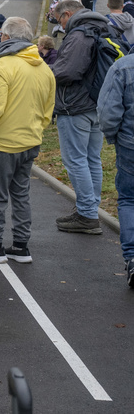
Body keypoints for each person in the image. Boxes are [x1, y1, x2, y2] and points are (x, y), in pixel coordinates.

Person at [0, 16, 54, 264]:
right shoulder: (44, 68)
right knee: (21, 194)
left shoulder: (2, 67)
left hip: (3, 142)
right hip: (30, 140)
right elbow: (49, 108)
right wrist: (36, 129)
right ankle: (20, 245)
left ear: (6, 37)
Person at [49, 0, 109, 234]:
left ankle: (86, 214)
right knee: (92, 159)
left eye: (59, 20)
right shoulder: (103, 28)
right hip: (97, 104)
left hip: (75, 105)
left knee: (76, 160)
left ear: (68, 14)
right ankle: (90, 208)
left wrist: (48, 71)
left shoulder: (78, 34)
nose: (61, 26)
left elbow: (68, 71)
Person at [97, 41, 134, 287]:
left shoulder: (123, 67)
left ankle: (132, 257)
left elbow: (108, 111)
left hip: (130, 143)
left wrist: (113, 136)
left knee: (129, 199)